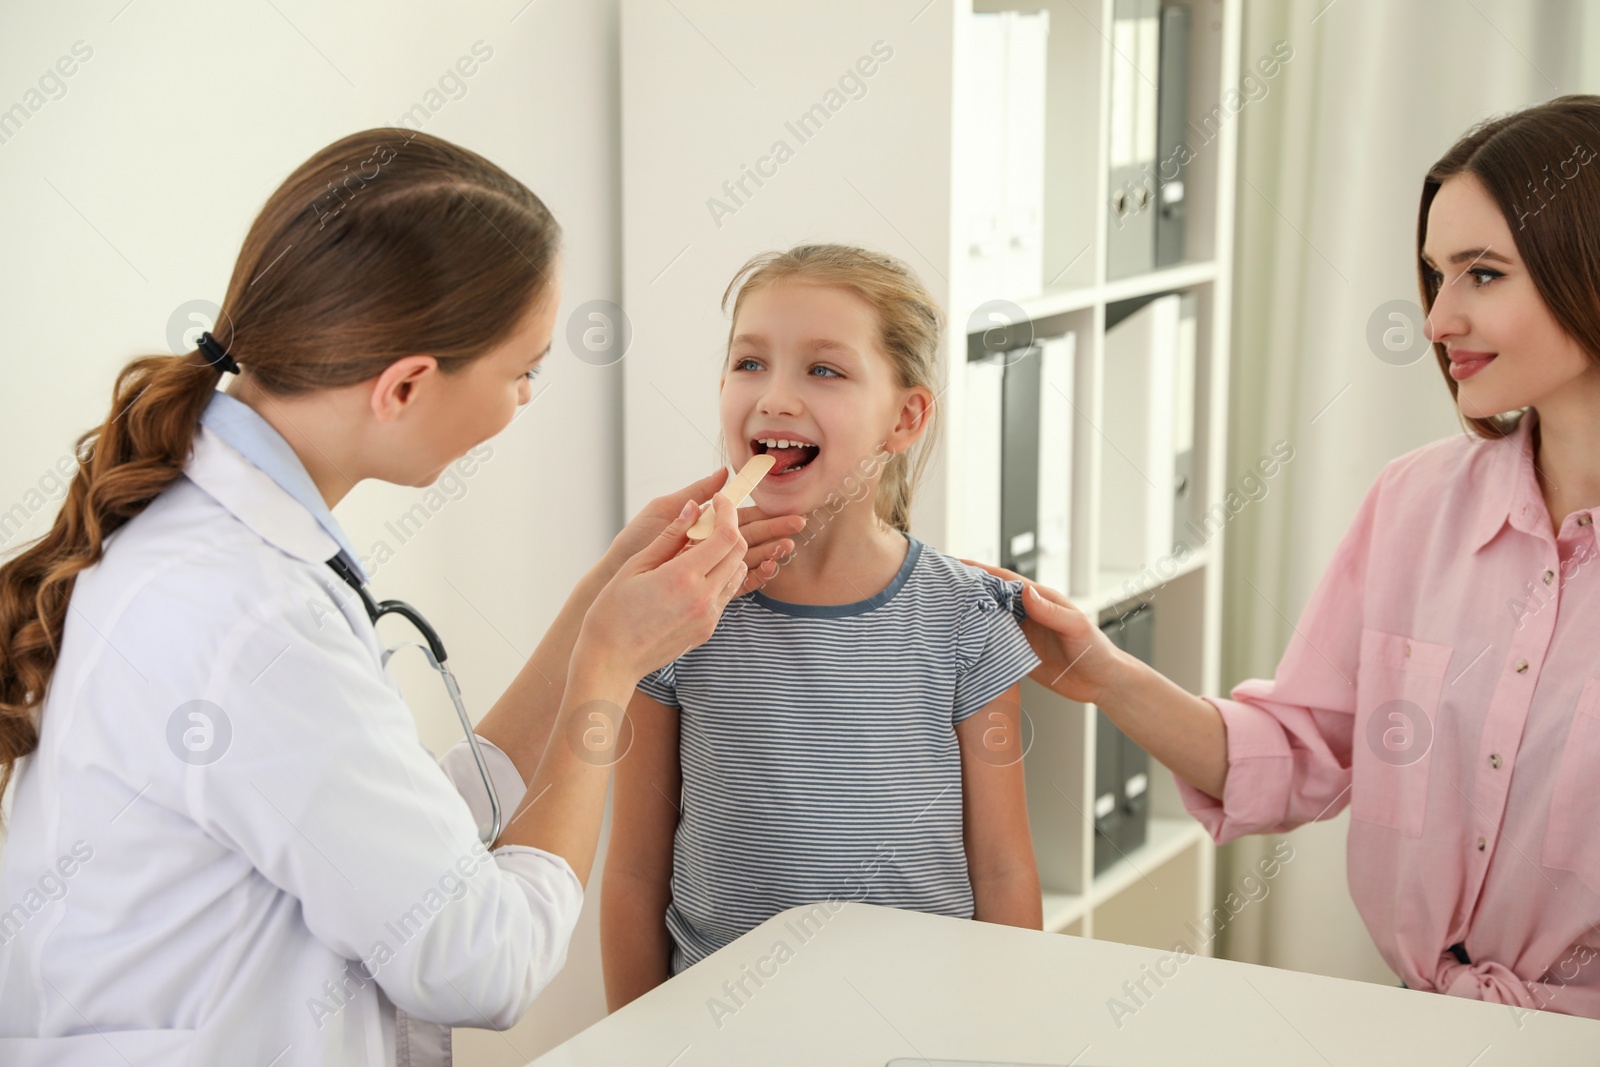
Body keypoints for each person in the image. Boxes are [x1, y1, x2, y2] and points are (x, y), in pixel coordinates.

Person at [0, 128, 803, 1064]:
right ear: (408, 385)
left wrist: (601, 602)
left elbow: (411, 845)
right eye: (523, 371)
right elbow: (479, 960)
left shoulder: (214, 542)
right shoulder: (251, 614)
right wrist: (609, 670)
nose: (527, 398)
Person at [978, 95, 1600, 1017]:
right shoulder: (1414, 504)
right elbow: (1304, 747)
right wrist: (1104, 673)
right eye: (1437, 275)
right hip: (1415, 1021)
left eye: (1483, 274)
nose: (1438, 320)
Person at [601, 244, 1044, 1011]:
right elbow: (636, 871)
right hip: (719, 1029)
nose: (774, 397)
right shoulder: (672, 609)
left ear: (904, 418)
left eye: (824, 370)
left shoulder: (965, 618)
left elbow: (1003, 869)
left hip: (919, 1024)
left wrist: (1005, 1034)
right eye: (749, 363)